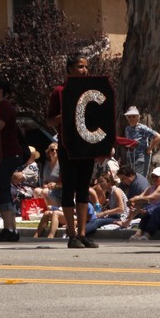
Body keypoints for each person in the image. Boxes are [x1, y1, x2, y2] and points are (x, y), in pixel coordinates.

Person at [46, 54, 99, 249]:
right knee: (69, 189)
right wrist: (67, 113)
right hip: (68, 146)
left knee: (84, 190)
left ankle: (83, 234)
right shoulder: (59, 91)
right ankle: (72, 234)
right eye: (80, 66)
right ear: (69, 69)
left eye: (86, 67)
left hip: (87, 145)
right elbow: (49, 120)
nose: (84, 70)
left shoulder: (92, 92)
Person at [0, 77, 24, 242]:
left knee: (1, 189)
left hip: (8, 154)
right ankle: (10, 229)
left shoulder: (4, 107)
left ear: (1, 91)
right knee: (1, 190)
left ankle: (9, 229)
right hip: (3, 155)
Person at [123, 106, 160, 178]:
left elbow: (158, 137)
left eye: (133, 116)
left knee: (139, 179)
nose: (131, 118)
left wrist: (149, 148)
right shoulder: (127, 129)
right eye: (129, 117)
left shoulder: (142, 128)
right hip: (130, 159)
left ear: (138, 117)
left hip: (140, 158)